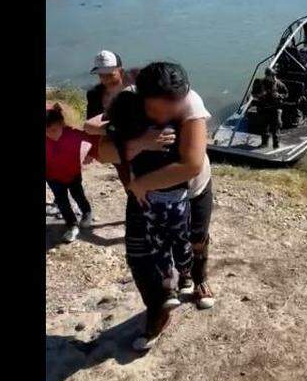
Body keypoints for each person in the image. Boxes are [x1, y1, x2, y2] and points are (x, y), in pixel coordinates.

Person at [93, 62, 217, 351]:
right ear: (142, 98)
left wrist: (140, 183)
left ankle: (197, 279)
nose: (168, 115)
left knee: (196, 240)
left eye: (174, 108)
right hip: (144, 197)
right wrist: (139, 144)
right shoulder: (128, 102)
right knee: (139, 256)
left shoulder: (190, 103)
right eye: (159, 109)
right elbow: (104, 151)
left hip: (191, 191)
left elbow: (190, 165)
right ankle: (157, 311)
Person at [84, 51, 134, 188]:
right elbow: (91, 121)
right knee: (126, 178)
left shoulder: (136, 89)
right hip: (113, 144)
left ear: (121, 71)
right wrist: (91, 149)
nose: (106, 79)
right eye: (101, 75)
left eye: (110, 75)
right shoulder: (94, 94)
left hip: (141, 142)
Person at [45, 103, 93, 243]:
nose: (50, 134)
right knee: (62, 202)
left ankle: (87, 212)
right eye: (46, 131)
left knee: (78, 195)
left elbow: (92, 139)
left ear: (62, 124)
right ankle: (72, 226)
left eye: (54, 130)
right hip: (52, 177)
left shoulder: (73, 134)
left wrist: (91, 153)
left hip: (73, 174)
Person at [251, 67, 288, 148]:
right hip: (263, 108)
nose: (274, 78)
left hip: (275, 109)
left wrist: (279, 95)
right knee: (264, 127)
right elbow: (253, 94)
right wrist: (260, 95)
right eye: (272, 76)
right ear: (267, 76)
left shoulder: (279, 84)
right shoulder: (259, 83)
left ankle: (276, 144)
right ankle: (264, 143)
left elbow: (286, 94)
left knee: (276, 126)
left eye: (275, 75)